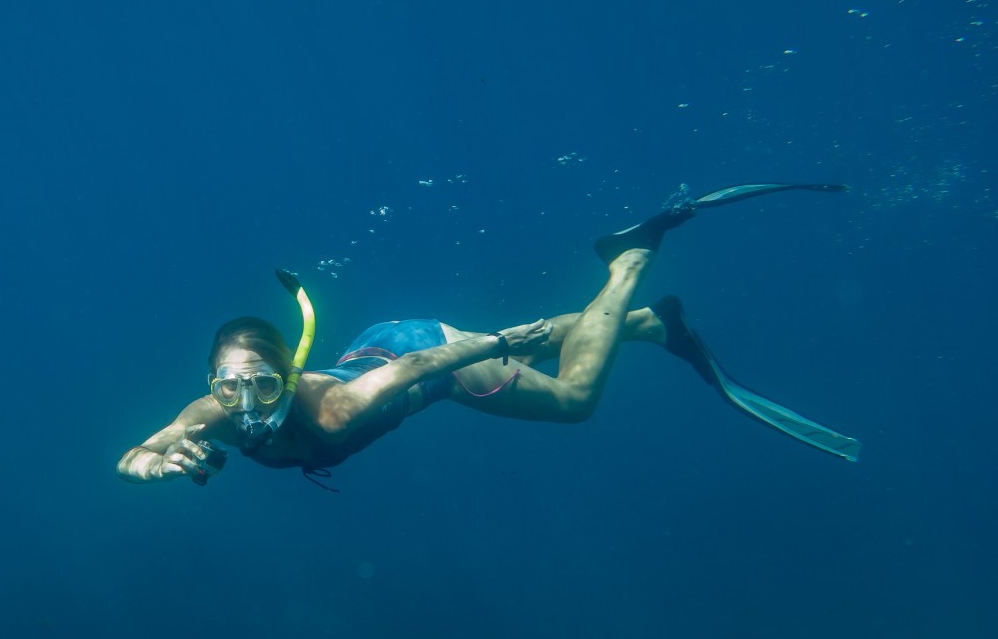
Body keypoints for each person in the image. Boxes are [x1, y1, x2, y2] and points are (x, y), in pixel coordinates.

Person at [117, 182, 861, 488]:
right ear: (212, 386)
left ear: (286, 374)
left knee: (574, 399)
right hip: (377, 341)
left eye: (260, 384)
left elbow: (418, 366)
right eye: (230, 388)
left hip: (424, 358)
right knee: (541, 341)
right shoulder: (209, 415)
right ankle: (648, 324)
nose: (246, 403)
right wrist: (150, 463)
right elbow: (135, 454)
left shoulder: (333, 410)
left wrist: (495, 341)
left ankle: (630, 260)